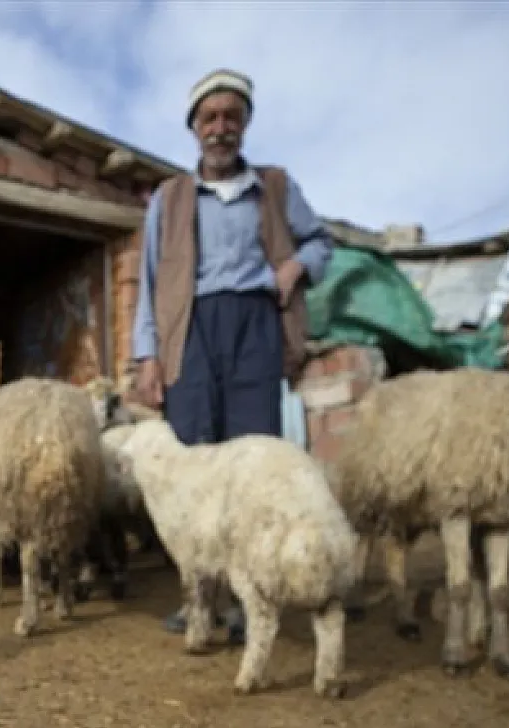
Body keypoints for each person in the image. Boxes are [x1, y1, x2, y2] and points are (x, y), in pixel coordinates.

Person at [129, 68, 336, 642]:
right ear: (194, 128)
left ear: (244, 125)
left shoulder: (273, 186)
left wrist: (296, 266)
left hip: (255, 324)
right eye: (210, 118)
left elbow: (321, 242)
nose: (220, 128)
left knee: (253, 462)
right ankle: (200, 600)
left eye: (231, 117)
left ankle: (253, 598)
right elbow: (149, 282)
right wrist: (148, 357)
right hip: (190, 329)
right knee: (194, 461)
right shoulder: (169, 199)